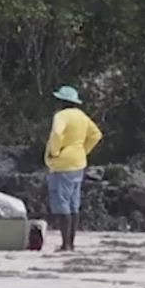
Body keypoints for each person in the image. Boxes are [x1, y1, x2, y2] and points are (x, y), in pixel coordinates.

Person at [44, 85, 102, 251]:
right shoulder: (82, 116)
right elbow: (96, 134)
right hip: (79, 162)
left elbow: (56, 134)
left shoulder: (61, 116)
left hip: (62, 163)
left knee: (62, 203)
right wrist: (84, 150)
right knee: (73, 203)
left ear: (62, 101)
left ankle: (65, 244)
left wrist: (55, 152)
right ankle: (71, 242)